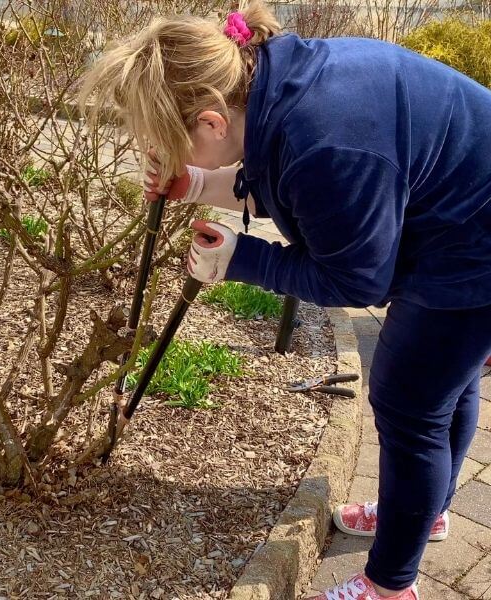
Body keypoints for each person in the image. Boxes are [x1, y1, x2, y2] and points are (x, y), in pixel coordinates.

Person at [79, 3, 491, 599]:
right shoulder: (274, 81)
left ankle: (390, 586)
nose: (158, 150)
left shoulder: (323, 140)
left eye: (167, 140)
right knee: (442, 384)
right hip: (459, 215)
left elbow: (357, 281)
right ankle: (422, 514)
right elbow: (290, 184)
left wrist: (243, 260)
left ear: (213, 123)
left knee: (408, 402)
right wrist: (194, 182)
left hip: (473, 248)